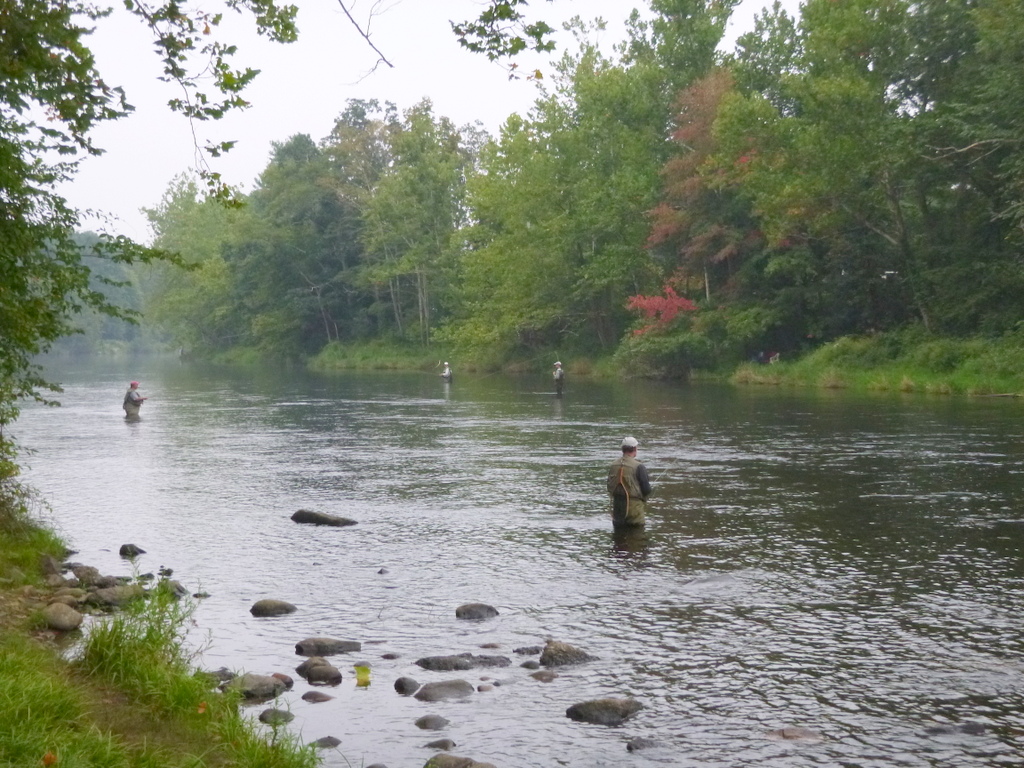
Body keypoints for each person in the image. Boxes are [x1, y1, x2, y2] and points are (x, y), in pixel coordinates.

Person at [606, 436, 651, 529]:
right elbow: (646, 490)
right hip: (634, 513)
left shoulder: (613, 465)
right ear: (635, 449)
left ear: (622, 449)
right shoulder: (639, 466)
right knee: (637, 535)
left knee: (618, 536)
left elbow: (609, 486)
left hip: (617, 510)